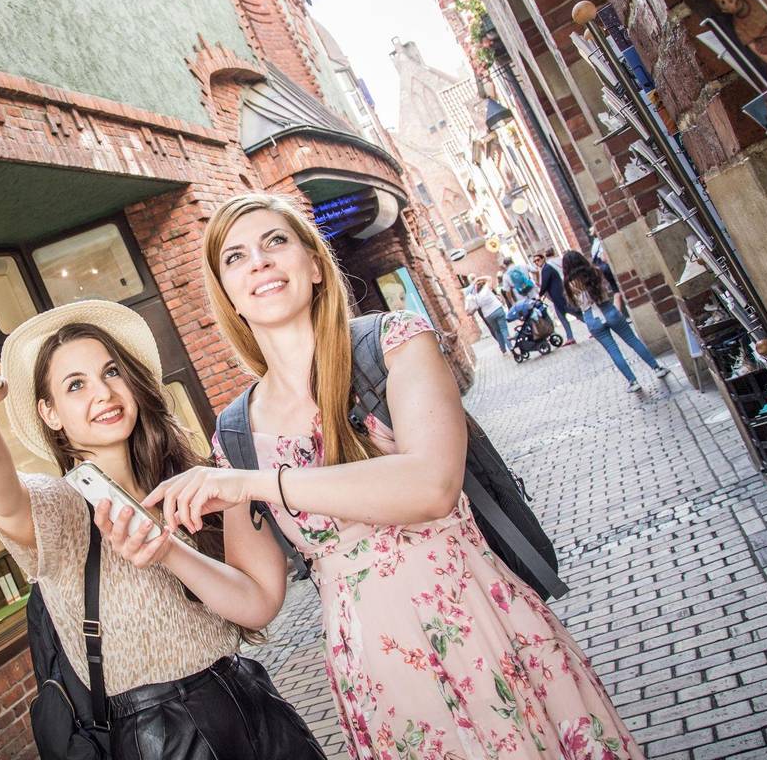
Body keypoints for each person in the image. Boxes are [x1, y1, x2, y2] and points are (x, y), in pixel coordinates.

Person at [146, 192, 643, 760]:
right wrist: (166, 551)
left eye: (274, 241)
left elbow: (432, 487)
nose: (258, 262)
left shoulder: (395, 343)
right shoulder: (236, 433)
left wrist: (259, 483)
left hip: (480, 629)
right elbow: (258, 600)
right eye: (235, 257)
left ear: (314, 265)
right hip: (380, 676)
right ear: (227, 294)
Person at [0, 293, 324, 760]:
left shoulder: (193, 484)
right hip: (163, 740)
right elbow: (5, 501)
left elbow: (258, 605)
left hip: (256, 707)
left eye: (111, 372)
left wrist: (177, 543)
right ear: (50, 413)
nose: (103, 393)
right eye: (75, 385)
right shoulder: (65, 508)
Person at [561, 250, 671, 393]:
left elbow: (574, 305)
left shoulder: (569, 284)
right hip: (608, 309)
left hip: (591, 318)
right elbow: (609, 288)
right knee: (632, 340)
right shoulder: (595, 272)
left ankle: (633, 381)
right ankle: (657, 368)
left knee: (613, 351)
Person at [533, 249, 578, 345]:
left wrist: (539, 295)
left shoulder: (547, 268)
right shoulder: (544, 269)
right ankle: (570, 337)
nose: (536, 262)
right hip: (557, 298)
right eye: (535, 261)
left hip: (560, 296)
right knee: (562, 317)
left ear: (543, 259)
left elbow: (545, 284)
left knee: (575, 313)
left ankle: (591, 326)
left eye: (538, 260)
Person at [465, 275, 511, 353]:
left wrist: (470, 313)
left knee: (496, 331)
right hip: (497, 309)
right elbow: (489, 278)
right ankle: (510, 347)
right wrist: (478, 278)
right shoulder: (486, 288)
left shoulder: (475, 296)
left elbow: (473, 307)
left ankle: (503, 350)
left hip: (487, 315)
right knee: (504, 329)